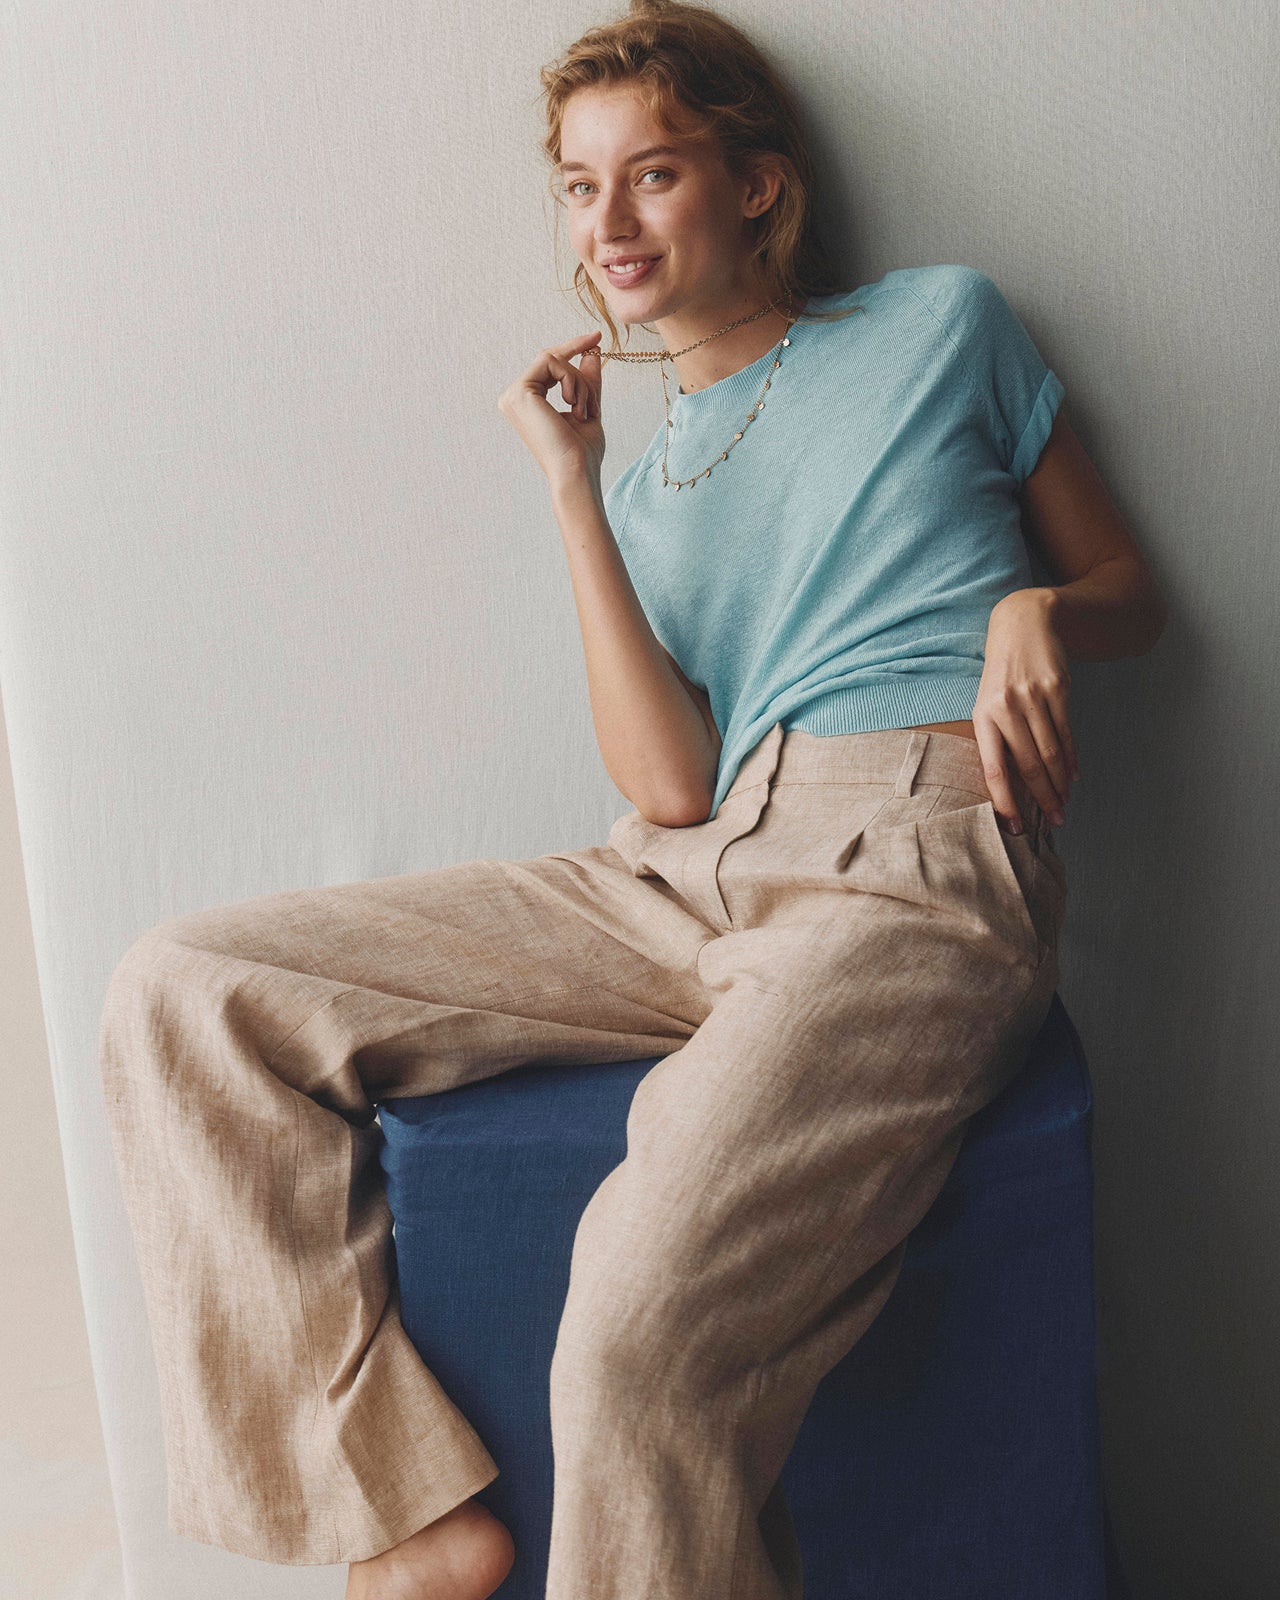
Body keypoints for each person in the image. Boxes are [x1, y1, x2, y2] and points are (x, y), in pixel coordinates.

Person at [97, 2, 1167, 1598]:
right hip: (686, 867)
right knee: (188, 991)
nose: (606, 222)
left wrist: (1038, 612)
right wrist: (570, 489)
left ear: (752, 183)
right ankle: (398, 1518)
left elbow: (1134, 591)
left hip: (913, 864)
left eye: (651, 174)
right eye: (578, 186)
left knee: (635, 1331)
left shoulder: (945, 325)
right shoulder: (650, 476)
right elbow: (667, 780)